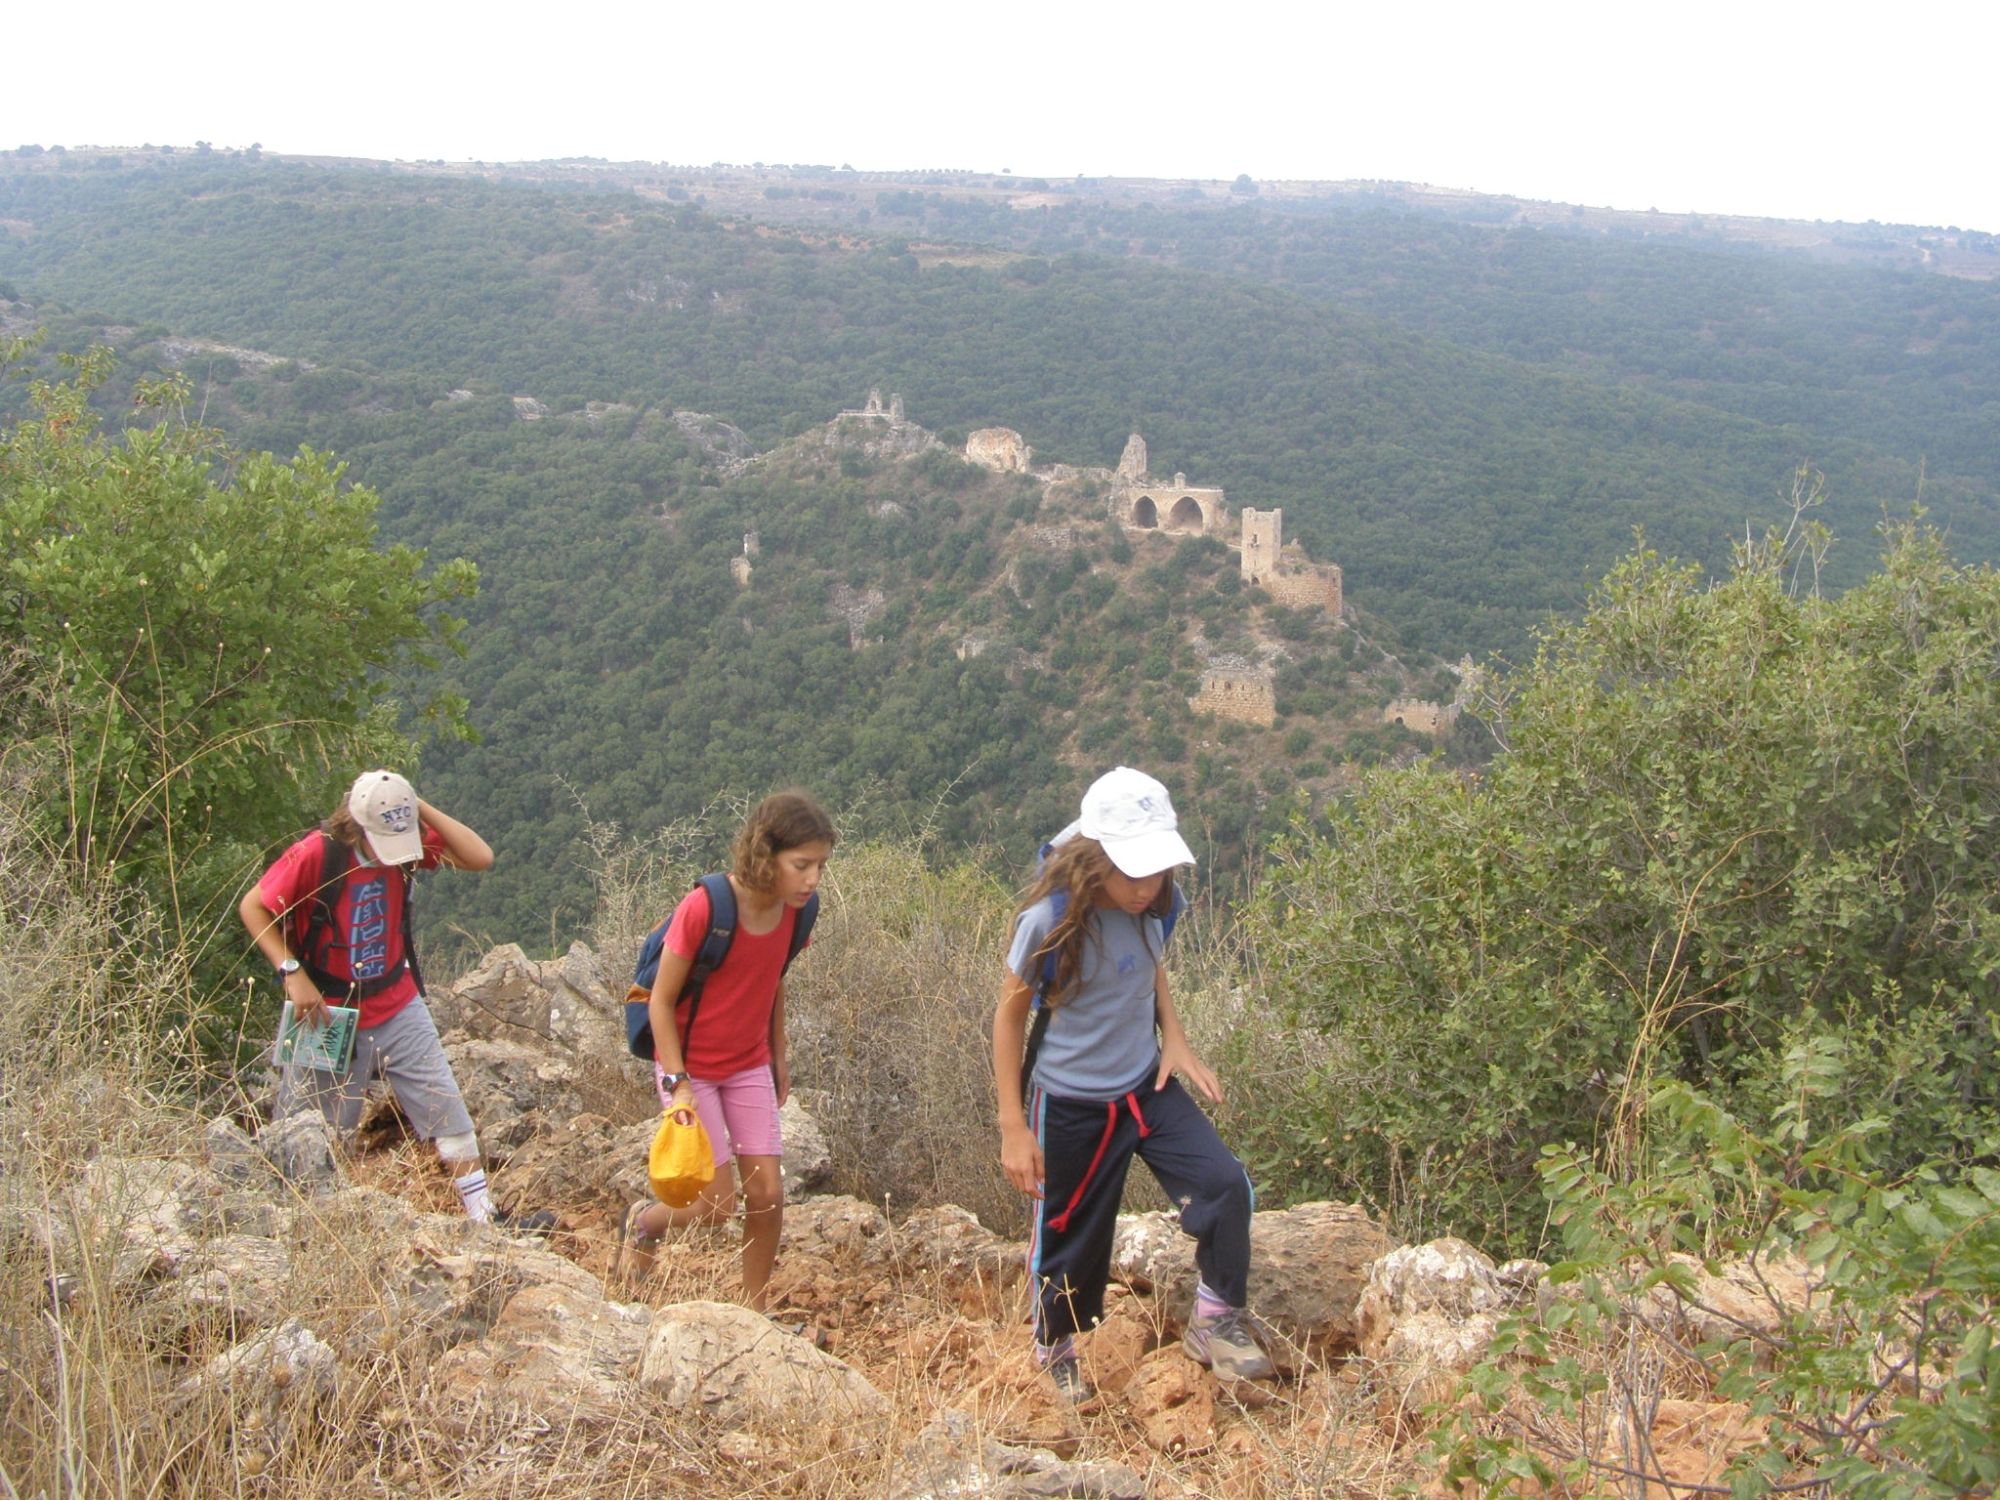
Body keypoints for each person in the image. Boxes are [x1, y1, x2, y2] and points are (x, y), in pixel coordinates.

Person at [993, 766, 1274, 1401]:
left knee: (1224, 1184)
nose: (1147, 886)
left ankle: (1214, 1317)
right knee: (1067, 1231)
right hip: (1069, 1099)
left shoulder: (1159, 901)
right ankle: (1054, 1347)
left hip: (1144, 1083)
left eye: (1157, 869)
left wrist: (1173, 1035)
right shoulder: (1049, 921)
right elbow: (1009, 1018)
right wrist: (1014, 1124)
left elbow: (1149, 967)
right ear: (1095, 859)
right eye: (1133, 871)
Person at [239, 770, 542, 1228]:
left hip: (396, 998)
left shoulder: (406, 848)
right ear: (356, 824)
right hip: (326, 1008)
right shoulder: (317, 854)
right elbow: (253, 906)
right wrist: (291, 972)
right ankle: (301, 1228)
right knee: (311, 1132)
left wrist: (414, 808)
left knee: (446, 1107)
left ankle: (484, 1219)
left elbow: (480, 856)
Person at [620, 791, 835, 1312]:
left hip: (747, 1065)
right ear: (766, 856)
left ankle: (753, 1309)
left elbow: (772, 978)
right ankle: (643, 1225)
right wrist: (679, 1082)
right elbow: (661, 1002)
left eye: (820, 866)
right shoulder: (707, 907)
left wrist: (779, 1056)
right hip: (691, 1069)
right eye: (801, 865)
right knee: (715, 1205)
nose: (812, 880)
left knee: (768, 1195)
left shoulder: (797, 913)